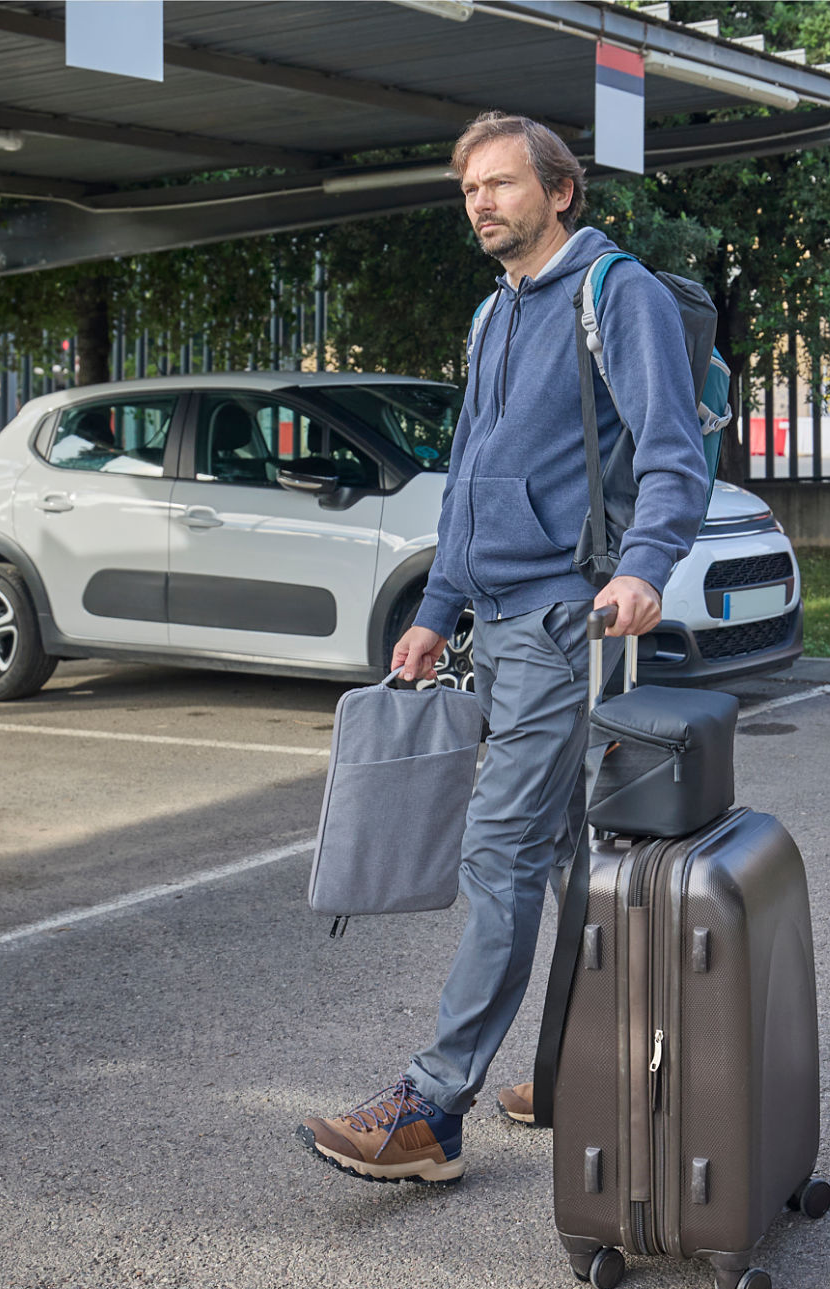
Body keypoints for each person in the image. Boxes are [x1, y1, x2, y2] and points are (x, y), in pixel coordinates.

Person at [296, 112, 710, 1184]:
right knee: (569, 859)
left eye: (500, 183)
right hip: (497, 622)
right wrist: (435, 607)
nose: (481, 201)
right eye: (469, 188)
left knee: (498, 852)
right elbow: (473, 471)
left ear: (559, 190)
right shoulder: (491, 317)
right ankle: (574, 1067)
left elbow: (672, 455)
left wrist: (646, 566)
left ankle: (432, 1105)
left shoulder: (617, 296)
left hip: (566, 621)